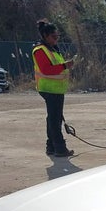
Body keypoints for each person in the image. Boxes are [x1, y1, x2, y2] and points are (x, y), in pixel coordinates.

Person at [32, 19, 75, 157]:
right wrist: (65, 66)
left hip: (56, 89)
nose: (56, 39)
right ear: (45, 36)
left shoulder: (53, 49)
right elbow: (46, 70)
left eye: (57, 36)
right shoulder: (40, 50)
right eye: (54, 36)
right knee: (55, 120)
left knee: (53, 118)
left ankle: (51, 147)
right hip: (49, 89)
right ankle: (60, 148)